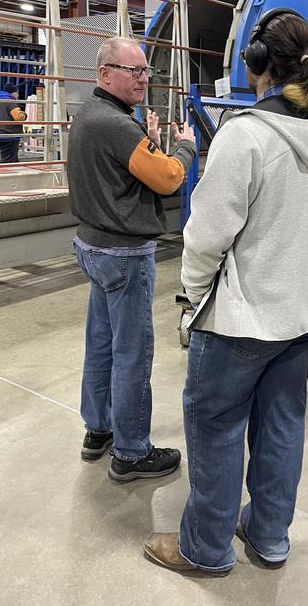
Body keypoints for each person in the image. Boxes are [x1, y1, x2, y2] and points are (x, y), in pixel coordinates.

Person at [143, 9, 308, 576]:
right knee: (283, 425)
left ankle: (205, 548)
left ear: (257, 65)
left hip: (241, 320)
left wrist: (192, 299)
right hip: (298, 318)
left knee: (216, 426)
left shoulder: (246, 135)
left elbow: (206, 234)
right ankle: (269, 538)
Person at [67, 37, 196, 483]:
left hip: (93, 248)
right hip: (123, 254)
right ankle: (132, 451)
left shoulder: (91, 115)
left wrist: (149, 140)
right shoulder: (119, 126)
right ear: (105, 74)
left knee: (101, 345)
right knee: (132, 355)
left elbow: (125, 171)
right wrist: (184, 146)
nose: (143, 78)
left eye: (145, 71)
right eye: (132, 70)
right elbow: (167, 178)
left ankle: (98, 429)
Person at [0, 82, 27, 163]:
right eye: (17, 93)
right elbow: (18, 117)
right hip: (9, 135)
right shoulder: (11, 102)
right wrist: (25, 115)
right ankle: (5, 174)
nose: (18, 95)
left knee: (10, 157)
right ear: (13, 93)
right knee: (8, 160)